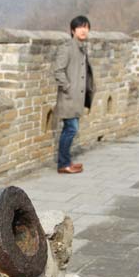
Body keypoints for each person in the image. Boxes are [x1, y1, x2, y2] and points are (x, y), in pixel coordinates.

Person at [53, 15, 94, 175]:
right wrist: (69, 88)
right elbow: (58, 71)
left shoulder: (82, 48)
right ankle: (63, 164)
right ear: (72, 30)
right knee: (71, 129)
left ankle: (67, 161)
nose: (84, 30)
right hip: (69, 98)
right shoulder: (67, 47)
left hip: (77, 98)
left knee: (69, 129)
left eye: (86, 27)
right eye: (80, 27)